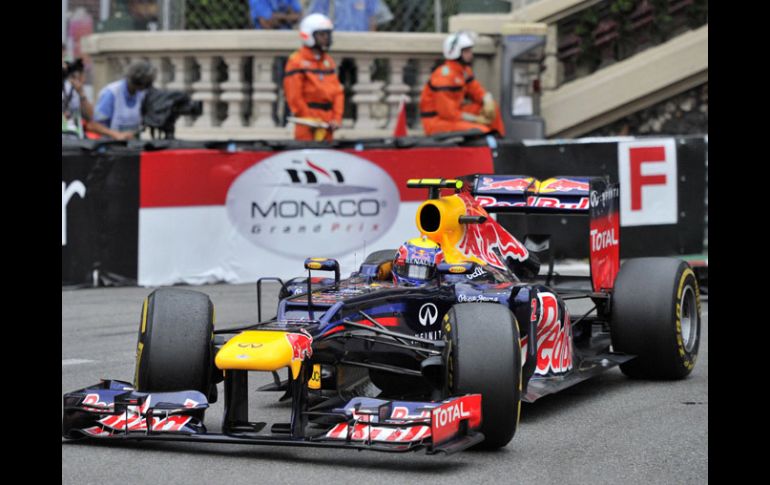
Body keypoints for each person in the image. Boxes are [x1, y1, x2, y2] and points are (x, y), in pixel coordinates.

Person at [419, 31, 505, 137]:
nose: (471, 54)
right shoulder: (444, 77)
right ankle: (491, 146)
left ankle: (500, 141)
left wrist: (487, 100)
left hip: (455, 114)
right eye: (467, 51)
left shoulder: (463, 71)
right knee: (482, 130)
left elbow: (476, 90)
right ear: (455, 52)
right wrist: (475, 119)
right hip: (437, 122)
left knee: (493, 110)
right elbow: (447, 113)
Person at [283, 13, 344, 142]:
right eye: (322, 35)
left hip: (327, 123)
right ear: (309, 36)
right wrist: (310, 119)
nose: (326, 38)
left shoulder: (328, 61)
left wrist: (336, 118)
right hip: (307, 123)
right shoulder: (296, 61)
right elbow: (294, 96)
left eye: (327, 34)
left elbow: (338, 93)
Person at [92, 61, 157, 140]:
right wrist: (116, 134)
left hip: (132, 144)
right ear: (138, 84)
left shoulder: (141, 93)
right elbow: (94, 125)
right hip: (109, 145)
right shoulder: (111, 94)